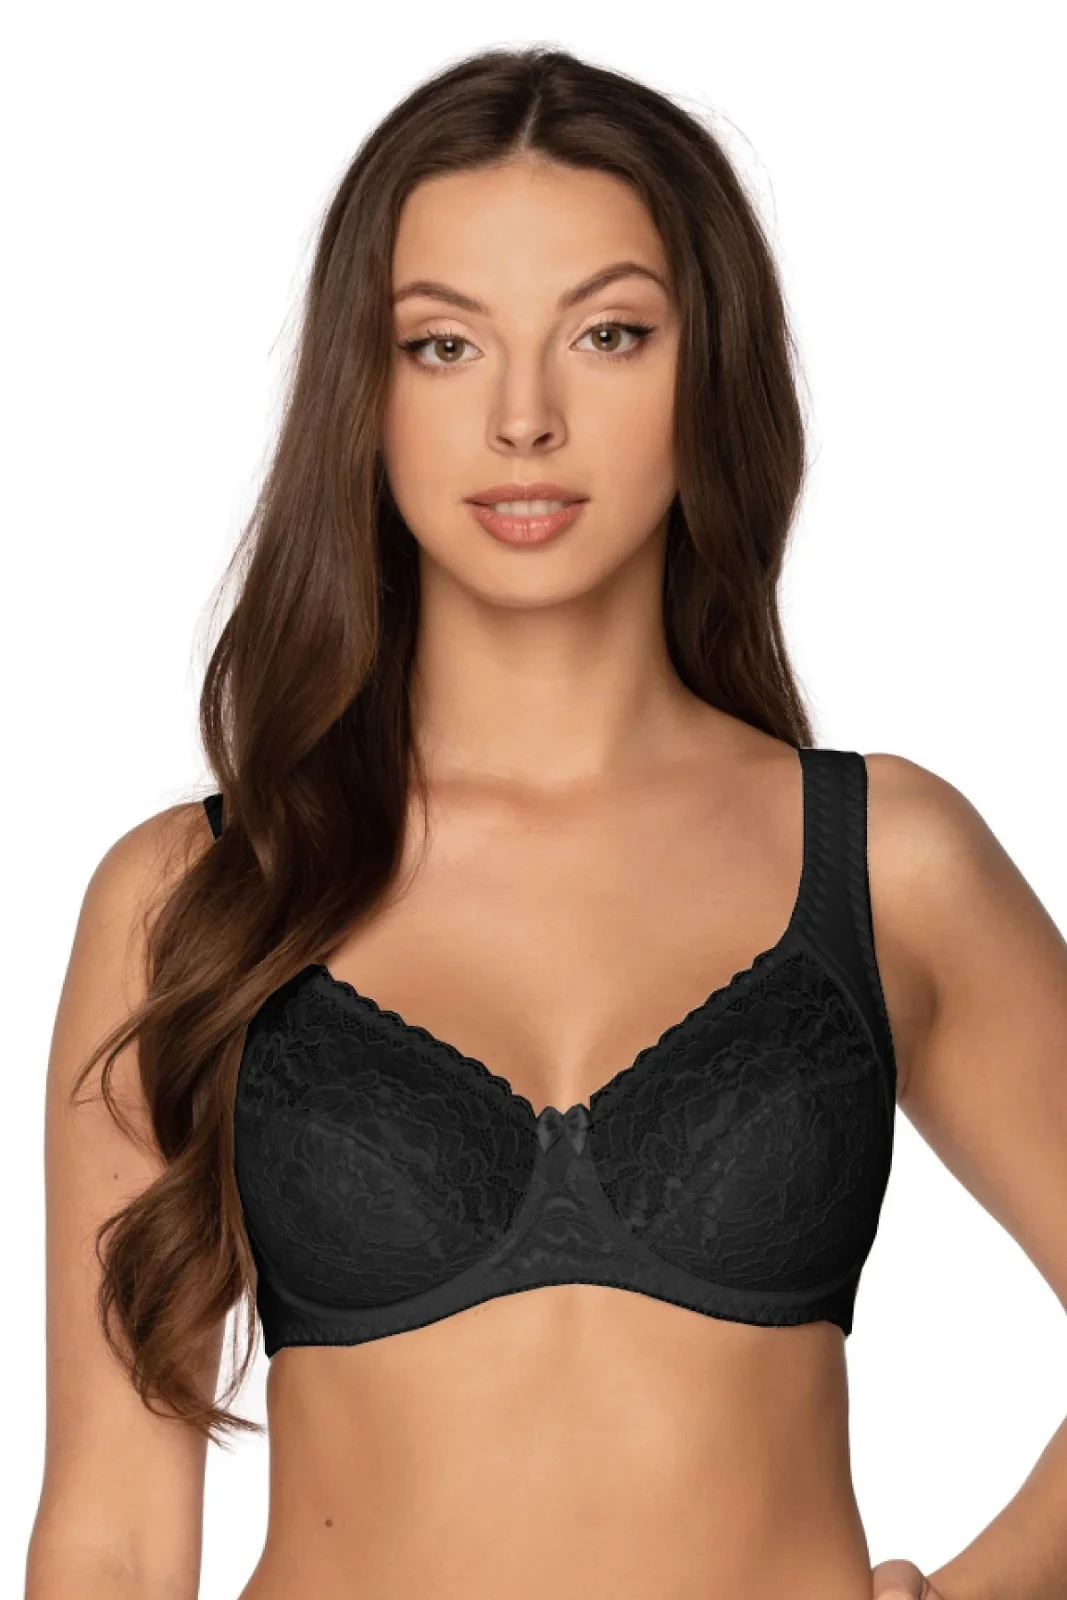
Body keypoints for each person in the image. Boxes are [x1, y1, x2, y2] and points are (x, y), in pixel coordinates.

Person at [25, 45, 1067, 1600]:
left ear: (705, 369)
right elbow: (109, 1536)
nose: (524, 418)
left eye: (607, 334)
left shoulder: (882, 863)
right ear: (363, 394)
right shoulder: (196, 894)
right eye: (443, 345)